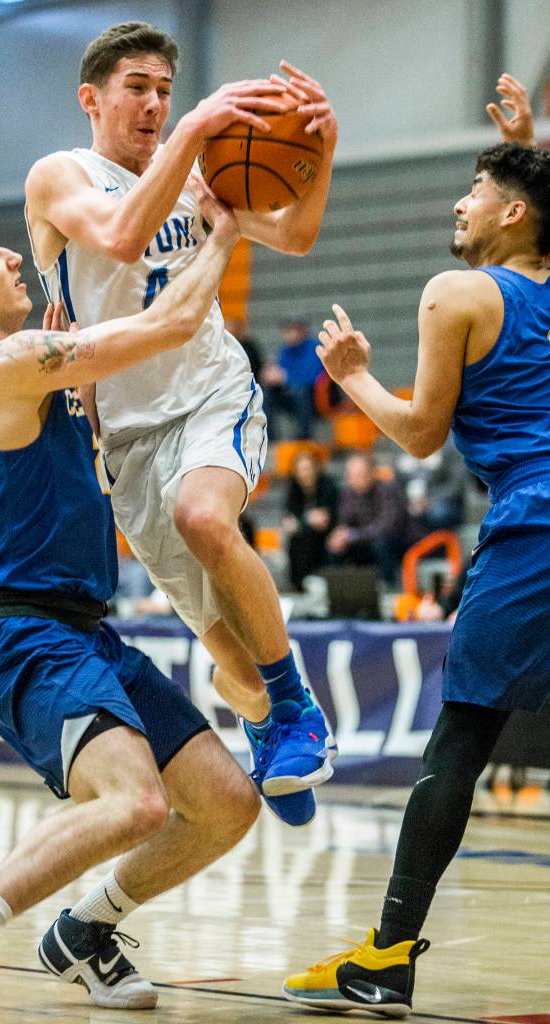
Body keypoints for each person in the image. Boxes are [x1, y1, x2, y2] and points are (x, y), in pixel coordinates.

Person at [0, 196, 262, 1013]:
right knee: (135, 803)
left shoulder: (17, 366)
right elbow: (163, 328)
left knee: (226, 805)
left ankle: (87, 930)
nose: (12, 257)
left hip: (84, 632)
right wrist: (223, 232)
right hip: (26, 634)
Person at [25, 22, 339, 828]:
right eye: (138, 87)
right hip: (126, 436)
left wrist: (321, 151)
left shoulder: (202, 173)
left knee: (204, 516)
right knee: (227, 656)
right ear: (91, 97)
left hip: (210, 391)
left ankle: (296, 707)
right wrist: (199, 130)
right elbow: (123, 234)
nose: (156, 104)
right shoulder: (61, 177)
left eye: (166, 90)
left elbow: (296, 234)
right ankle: (267, 721)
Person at [283, 89, 548, 1015]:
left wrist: (354, 377)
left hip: (536, 528)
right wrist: (523, 149)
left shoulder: (460, 292)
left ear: (513, 213)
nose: (457, 203)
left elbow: (424, 434)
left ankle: (387, 956)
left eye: (476, 188)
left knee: (461, 741)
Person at [327, 452, 408, 586]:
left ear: (371, 473)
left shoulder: (387, 490)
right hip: (364, 541)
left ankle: (388, 585)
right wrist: (340, 534)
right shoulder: (347, 493)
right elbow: (345, 519)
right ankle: (337, 588)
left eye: (360, 475)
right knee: (335, 545)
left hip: (395, 540)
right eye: (351, 475)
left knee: (381, 543)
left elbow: (386, 526)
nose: (355, 480)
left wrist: (354, 535)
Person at [281, 450, 338, 591]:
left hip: (328, 533)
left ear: (315, 468)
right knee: (297, 540)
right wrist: (308, 519)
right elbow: (289, 522)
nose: (305, 473)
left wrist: (301, 521)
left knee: (312, 538)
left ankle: (325, 585)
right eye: (300, 470)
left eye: (307, 469)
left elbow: (325, 520)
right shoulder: (293, 489)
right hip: (303, 536)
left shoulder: (328, 486)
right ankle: (298, 586)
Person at [261, 317, 324, 440]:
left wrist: (285, 377)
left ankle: (304, 437)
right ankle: (270, 437)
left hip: (314, 395)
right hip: (291, 394)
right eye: (286, 330)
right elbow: (279, 374)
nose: (288, 334)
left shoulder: (315, 347)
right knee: (266, 394)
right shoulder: (284, 350)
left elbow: (314, 376)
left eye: (292, 330)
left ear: (303, 330)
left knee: (300, 391)